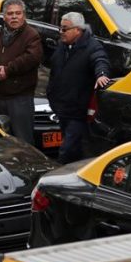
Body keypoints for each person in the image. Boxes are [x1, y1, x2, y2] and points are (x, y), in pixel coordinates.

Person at [47, 12, 110, 164]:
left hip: (77, 110)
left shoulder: (92, 47)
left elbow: (100, 59)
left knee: (68, 149)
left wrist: (101, 74)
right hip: (61, 107)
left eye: (64, 29)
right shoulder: (62, 46)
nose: (61, 32)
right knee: (74, 148)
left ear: (78, 30)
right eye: (60, 28)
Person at [0, 0, 42, 145]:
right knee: (3, 141)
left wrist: (7, 70)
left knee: (23, 141)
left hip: (20, 98)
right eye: (10, 13)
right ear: (4, 17)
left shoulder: (31, 35)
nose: (14, 17)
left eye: (18, 13)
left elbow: (32, 58)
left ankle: (27, 166)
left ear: (24, 16)